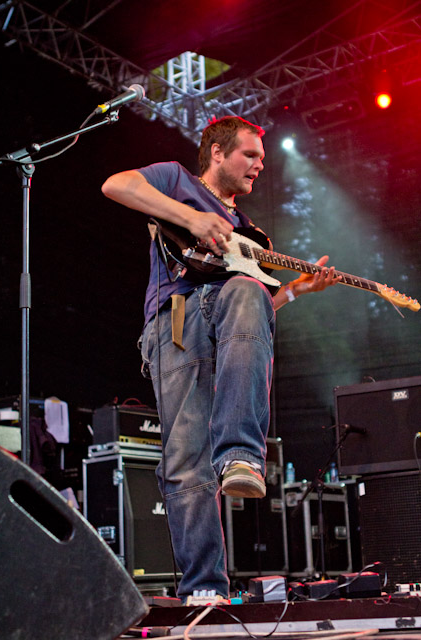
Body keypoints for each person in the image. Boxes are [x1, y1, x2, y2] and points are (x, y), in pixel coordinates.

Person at [102, 116, 340, 602]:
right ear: (216, 152)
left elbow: (249, 316)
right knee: (187, 459)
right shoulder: (177, 180)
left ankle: (240, 457)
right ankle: (204, 592)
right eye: (249, 155)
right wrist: (191, 218)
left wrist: (294, 291)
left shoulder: (251, 233)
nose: (258, 165)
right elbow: (116, 185)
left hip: (230, 311)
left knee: (250, 292)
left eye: (262, 159)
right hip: (179, 322)